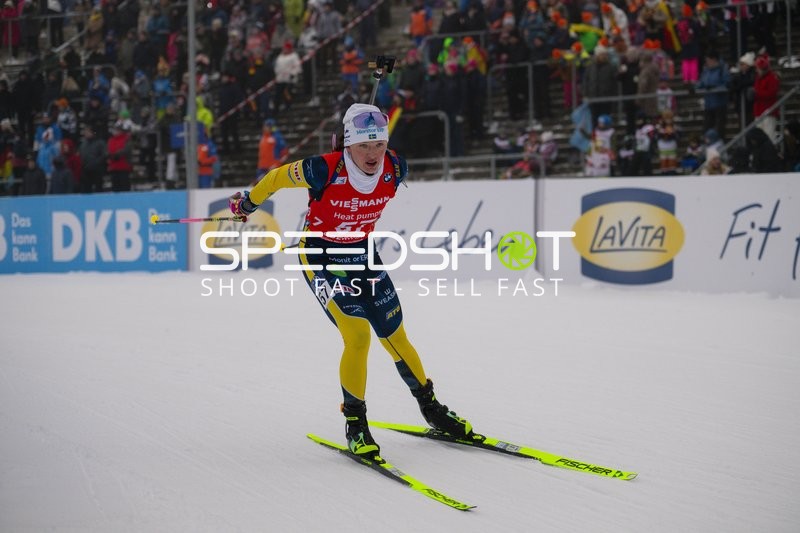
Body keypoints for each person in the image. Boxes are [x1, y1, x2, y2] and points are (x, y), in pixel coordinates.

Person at [229, 103, 475, 457]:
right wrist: (248, 204)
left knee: (396, 336)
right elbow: (276, 178)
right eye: (364, 146)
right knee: (358, 335)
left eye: (379, 144)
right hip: (321, 257)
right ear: (347, 144)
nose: (373, 154)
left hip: (362, 254)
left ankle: (431, 408)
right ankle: (356, 424)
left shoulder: (396, 167)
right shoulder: (321, 168)